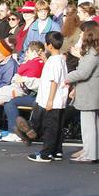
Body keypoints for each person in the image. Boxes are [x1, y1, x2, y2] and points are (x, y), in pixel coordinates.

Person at [65, 21, 99, 163]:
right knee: (93, 124)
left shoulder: (92, 52)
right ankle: (93, 153)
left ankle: (90, 154)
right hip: (92, 90)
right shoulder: (97, 50)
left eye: (83, 33)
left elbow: (83, 73)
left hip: (89, 91)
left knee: (88, 125)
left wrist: (65, 78)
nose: (81, 35)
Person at [27, 31, 68, 163]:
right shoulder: (59, 59)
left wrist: (50, 100)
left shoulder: (54, 61)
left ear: (49, 45)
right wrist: (45, 59)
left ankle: (46, 153)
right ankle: (57, 151)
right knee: (57, 127)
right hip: (60, 100)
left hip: (53, 100)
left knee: (49, 127)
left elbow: (53, 81)